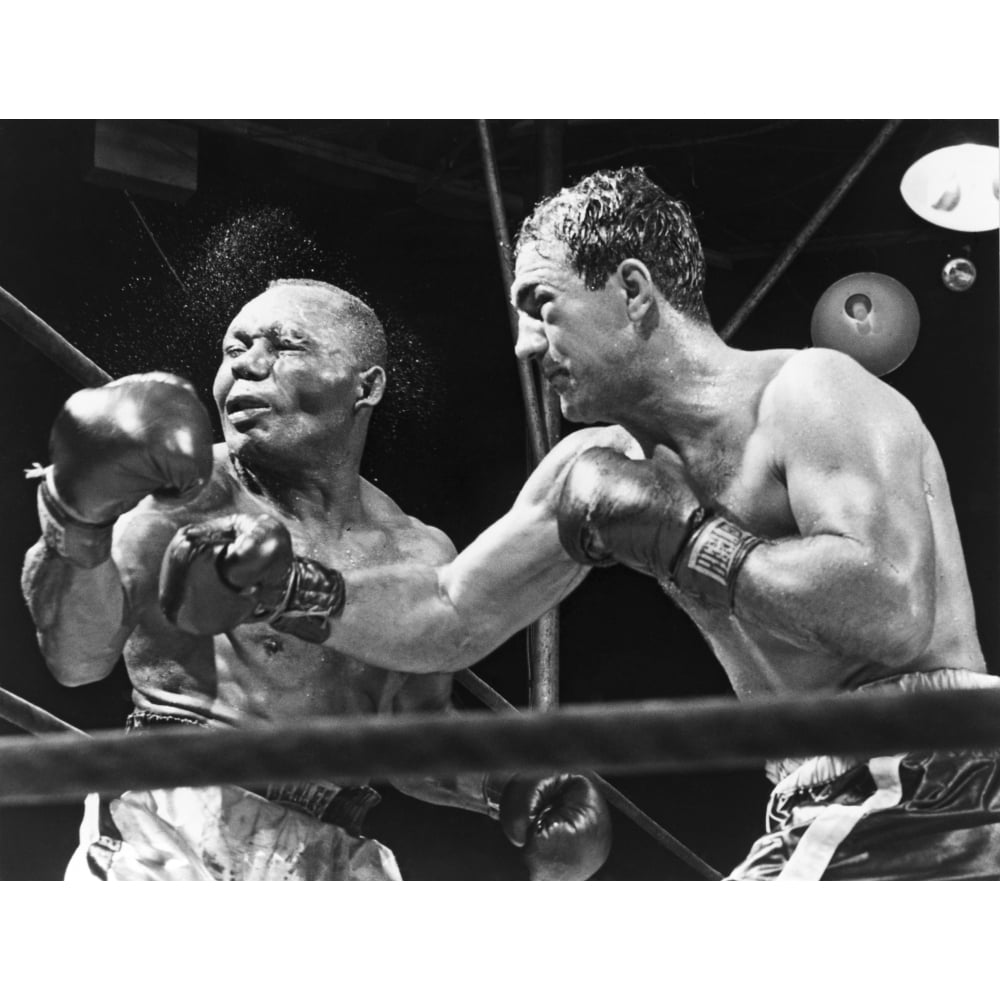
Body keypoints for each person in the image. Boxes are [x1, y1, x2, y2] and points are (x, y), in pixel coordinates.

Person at [160, 168, 1000, 880]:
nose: (526, 343)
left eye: (542, 304)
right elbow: (447, 619)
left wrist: (688, 537)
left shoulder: (810, 393)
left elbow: (889, 613)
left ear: (632, 290)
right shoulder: (590, 468)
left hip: (928, 768)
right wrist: (288, 586)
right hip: (810, 791)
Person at [20, 277, 612, 881]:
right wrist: (74, 521)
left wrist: (502, 783)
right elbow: (77, 660)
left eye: (285, 345)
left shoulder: (417, 551)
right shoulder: (190, 496)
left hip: (332, 846)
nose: (248, 366)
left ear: (367, 386)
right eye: (233, 349)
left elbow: (409, 738)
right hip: (174, 819)